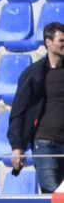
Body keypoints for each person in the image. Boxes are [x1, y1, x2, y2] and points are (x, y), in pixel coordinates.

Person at [9, 22, 64, 193]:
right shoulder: (34, 73)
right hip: (45, 144)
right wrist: (17, 146)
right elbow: (19, 111)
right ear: (48, 43)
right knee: (52, 195)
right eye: (61, 40)